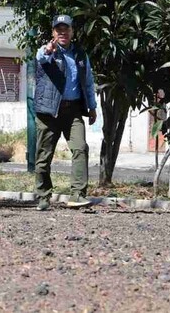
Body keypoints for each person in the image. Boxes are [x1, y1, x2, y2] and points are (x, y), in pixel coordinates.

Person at [34, 14, 97, 211]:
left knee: (80, 148)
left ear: (72, 32)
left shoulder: (80, 54)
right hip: (49, 112)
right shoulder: (48, 51)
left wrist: (92, 107)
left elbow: (88, 81)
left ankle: (78, 194)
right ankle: (43, 195)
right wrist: (48, 50)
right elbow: (41, 57)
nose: (63, 32)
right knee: (44, 155)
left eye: (66, 29)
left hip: (73, 111)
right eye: (58, 29)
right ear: (53, 32)